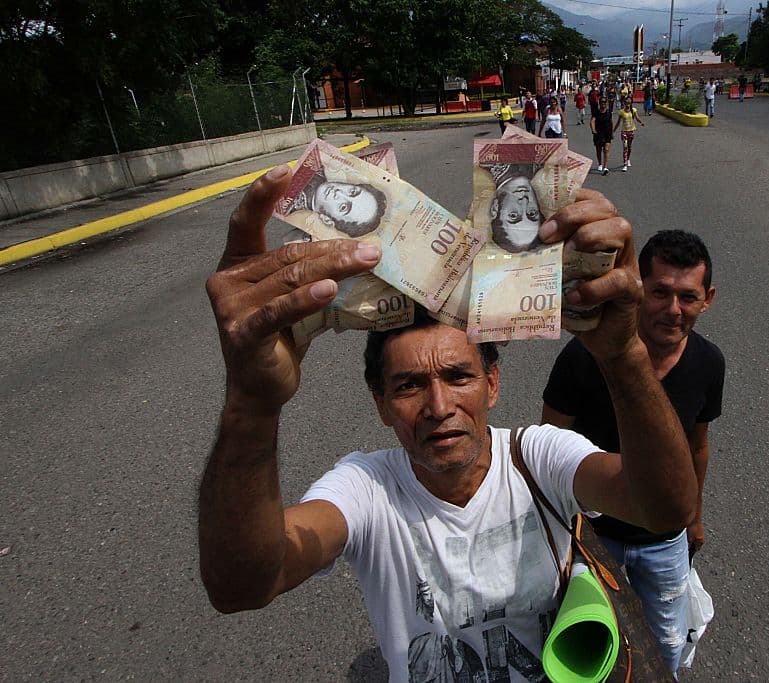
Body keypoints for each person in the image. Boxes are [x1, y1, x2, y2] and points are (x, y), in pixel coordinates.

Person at [199, 165, 699, 681]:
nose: (438, 406)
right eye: (409, 385)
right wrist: (252, 402)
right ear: (381, 404)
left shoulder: (537, 457)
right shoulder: (368, 490)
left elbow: (665, 510)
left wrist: (624, 355)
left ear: (493, 384)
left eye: (459, 376)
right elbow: (242, 585)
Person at [542, 230, 724, 676]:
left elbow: (697, 444)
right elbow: (549, 443)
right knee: (590, 648)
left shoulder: (709, 363)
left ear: (708, 299)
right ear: (638, 289)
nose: (673, 309)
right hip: (593, 538)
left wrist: (694, 516)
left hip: (664, 542)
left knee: (665, 644)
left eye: (688, 296)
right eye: (659, 292)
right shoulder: (584, 357)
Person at [284, 170, 387, 237]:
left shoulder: (289, 210)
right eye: (352, 192)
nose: (339, 193)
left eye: (343, 207)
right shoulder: (317, 166)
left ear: (327, 220)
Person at [613, 100, 645, 172]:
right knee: (625, 147)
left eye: (629, 103)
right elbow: (618, 122)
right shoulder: (621, 112)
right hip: (624, 131)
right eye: (626, 103)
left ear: (630, 104)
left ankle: (628, 159)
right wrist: (613, 131)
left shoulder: (633, 110)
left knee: (629, 147)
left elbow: (637, 118)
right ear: (624, 103)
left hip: (631, 131)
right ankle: (625, 164)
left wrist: (641, 122)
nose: (627, 105)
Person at [591, 97, 614, 175]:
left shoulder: (608, 112)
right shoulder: (596, 112)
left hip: (607, 132)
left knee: (606, 149)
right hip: (598, 133)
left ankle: (605, 167)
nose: (603, 104)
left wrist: (612, 132)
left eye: (604, 102)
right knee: (598, 149)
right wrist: (593, 130)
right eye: (601, 102)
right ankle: (600, 163)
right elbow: (592, 121)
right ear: (599, 103)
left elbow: (611, 122)